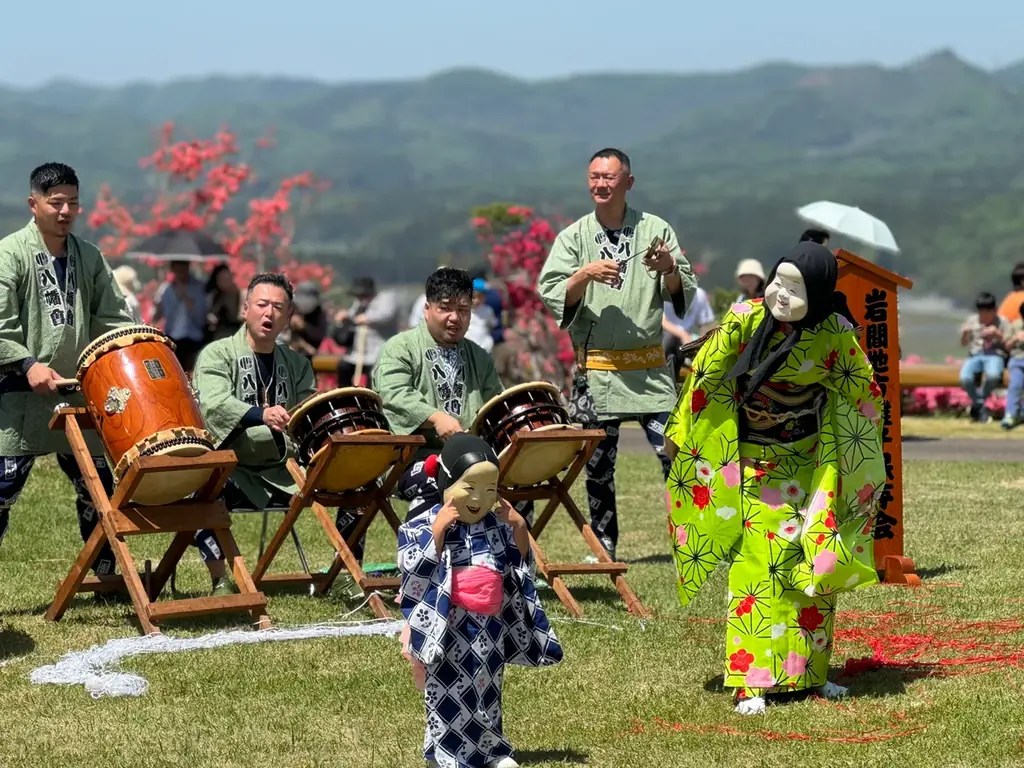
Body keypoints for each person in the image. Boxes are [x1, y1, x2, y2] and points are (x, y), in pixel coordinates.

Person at [664, 242, 885, 715]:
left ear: (821, 293)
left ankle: (812, 673)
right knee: (758, 569)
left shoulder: (833, 333)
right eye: (778, 282)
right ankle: (752, 683)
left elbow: (864, 393)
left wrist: (849, 445)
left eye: (795, 288)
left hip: (807, 464)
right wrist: (685, 434)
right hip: (752, 463)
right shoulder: (745, 318)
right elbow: (706, 374)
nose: (780, 295)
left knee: (810, 564)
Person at [537, 147, 697, 561]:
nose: (600, 184)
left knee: (673, 453)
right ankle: (605, 546)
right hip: (597, 369)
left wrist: (668, 269)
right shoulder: (573, 237)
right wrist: (584, 273)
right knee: (597, 465)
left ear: (628, 181)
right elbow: (552, 292)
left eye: (609, 177)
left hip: (648, 368)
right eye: (594, 176)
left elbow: (684, 290)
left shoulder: (655, 229)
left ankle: (691, 541)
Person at [335, 268, 533, 563]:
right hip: (409, 462)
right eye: (445, 308)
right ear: (427, 309)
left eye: (463, 309)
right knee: (447, 479)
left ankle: (510, 570)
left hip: (473, 463)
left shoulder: (479, 356)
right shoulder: (400, 348)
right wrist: (434, 417)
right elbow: (392, 393)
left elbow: (494, 405)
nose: (455, 317)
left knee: (522, 481)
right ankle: (412, 568)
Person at [0, 162, 135, 584]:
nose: (65, 211)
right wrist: (27, 364)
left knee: (99, 493)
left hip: (78, 393)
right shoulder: (10, 253)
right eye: (55, 202)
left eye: (72, 203)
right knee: (0, 496)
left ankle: (109, 577)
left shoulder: (89, 256)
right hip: (18, 396)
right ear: (33, 203)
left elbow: (113, 318)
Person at [397, 433, 562, 768]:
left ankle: (492, 751)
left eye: (490, 489)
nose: (480, 498)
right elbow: (413, 573)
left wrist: (517, 524)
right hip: (449, 625)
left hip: (490, 626)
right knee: (448, 693)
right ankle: (446, 754)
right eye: (469, 487)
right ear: (447, 481)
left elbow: (518, 565)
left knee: (487, 691)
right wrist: (438, 532)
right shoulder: (422, 525)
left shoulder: (496, 524)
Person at [190, 273, 317, 594]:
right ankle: (221, 578)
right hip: (234, 469)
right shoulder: (217, 355)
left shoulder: (298, 363)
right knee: (202, 491)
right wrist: (262, 414)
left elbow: (309, 409)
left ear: (289, 317)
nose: (269, 313)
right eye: (262, 305)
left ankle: (343, 570)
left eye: (278, 307)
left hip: (287, 471)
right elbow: (214, 404)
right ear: (245, 309)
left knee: (352, 483)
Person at [332, 276, 399, 387]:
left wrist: (367, 318)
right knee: (343, 369)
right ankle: (346, 400)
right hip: (356, 354)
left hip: (377, 353)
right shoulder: (358, 303)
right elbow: (353, 315)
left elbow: (386, 315)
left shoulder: (385, 299)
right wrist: (346, 316)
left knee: (373, 380)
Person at [958, 291, 1012, 423]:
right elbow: (964, 344)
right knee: (965, 378)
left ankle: (977, 405)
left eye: (988, 313)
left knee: (993, 376)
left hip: (995, 355)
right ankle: (980, 405)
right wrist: (965, 334)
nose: (985, 316)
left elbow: (1009, 346)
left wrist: (998, 335)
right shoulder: (972, 321)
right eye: (982, 313)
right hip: (975, 355)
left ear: (994, 310)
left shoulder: (1002, 322)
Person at [152, 260, 207, 373]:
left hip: (193, 337)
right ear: (173, 270)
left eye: (183, 269)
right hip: (172, 337)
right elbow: (159, 314)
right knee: (175, 372)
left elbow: (202, 316)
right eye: (178, 270)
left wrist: (186, 298)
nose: (181, 273)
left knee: (192, 373)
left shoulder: (198, 287)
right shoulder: (166, 289)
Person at [662, 285, 716, 377]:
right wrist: (683, 335)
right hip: (665, 337)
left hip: (688, 339)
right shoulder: (661, 293)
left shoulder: (699, 294)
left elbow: (706, 324)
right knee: (670, 340)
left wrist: (704, 341)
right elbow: (662, 321)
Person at [286, 281, 329, 361]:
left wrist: (304, 326)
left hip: (312, 354)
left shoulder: (320, 313)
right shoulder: (292, 309)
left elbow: (320, 335)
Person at [205, 263, 242, 341]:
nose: (225, 282)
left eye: (227, 279)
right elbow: (212, 314)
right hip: (219, 337)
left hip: (236, 335)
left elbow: (238, 317)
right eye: (221, 280)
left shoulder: (241, 294)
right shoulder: (216, 296)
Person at [1003, 301, 1024, 429]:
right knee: (1015, 386)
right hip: (1017, 360)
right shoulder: (1015, 325)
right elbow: (1006, 346)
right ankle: (1010, 414)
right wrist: (1015, 338)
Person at [465, 277, 499, 353]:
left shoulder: (488, 311)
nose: (477, 300)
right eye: (474, 297)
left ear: (485, 297)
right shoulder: (464, 311)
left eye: (480, 297)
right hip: (469, 347)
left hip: (485, 346)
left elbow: (493, 325)